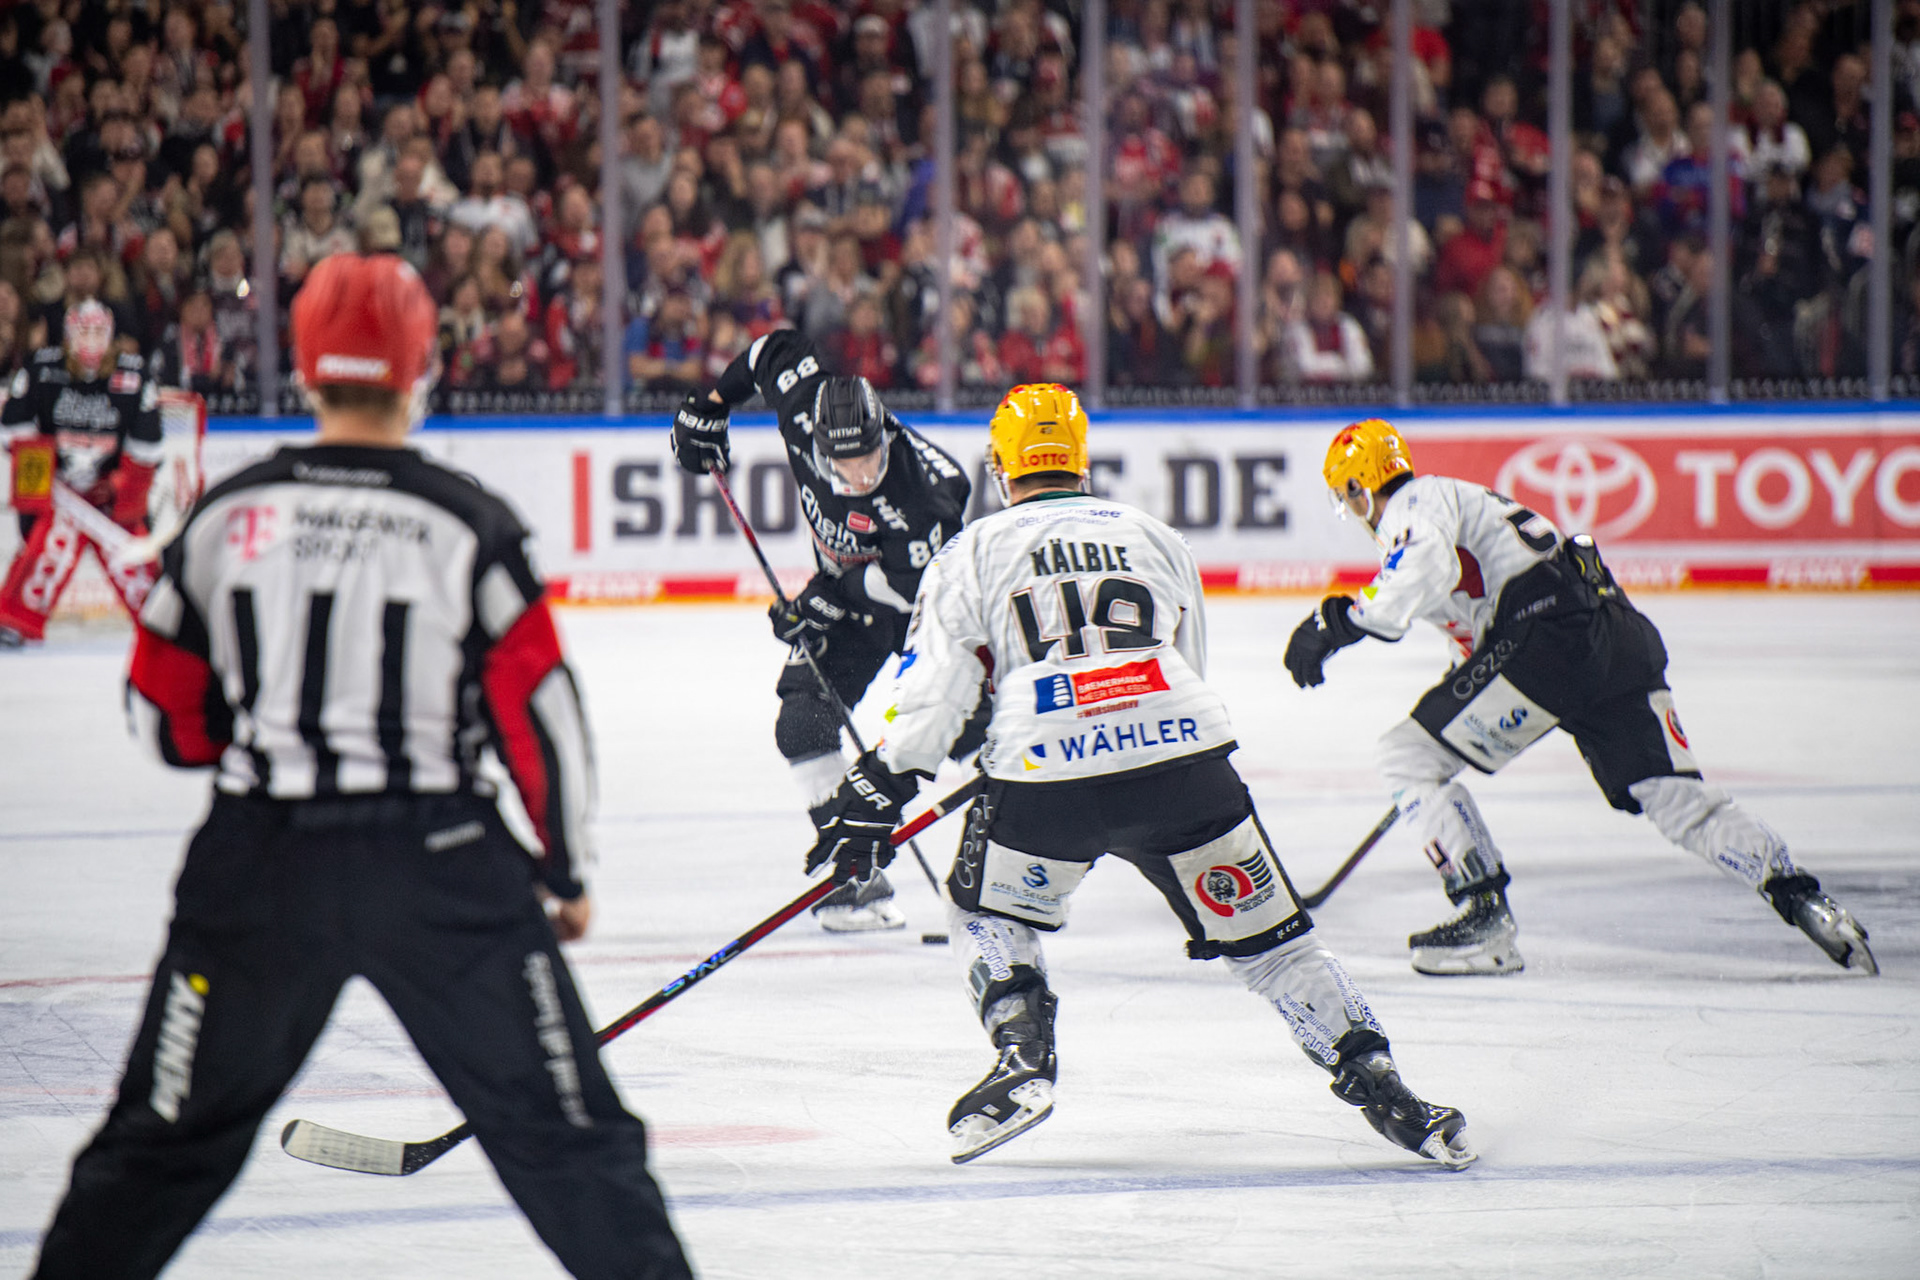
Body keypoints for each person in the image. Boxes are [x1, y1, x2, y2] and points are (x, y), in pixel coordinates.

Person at [28, 255, 693, 1280]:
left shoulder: (226, 516)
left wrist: (250, 734)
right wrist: (563, 869)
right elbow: (542, 715)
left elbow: (160, 716)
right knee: (571, 1144)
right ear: (419, 367)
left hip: (257, 863)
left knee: (155, 1149)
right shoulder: (467, 521)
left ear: (301, 369)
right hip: (442, 863)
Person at [804, 384, 1476, 1168]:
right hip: (1185, 763)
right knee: (1276, 948)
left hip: (1046, 774)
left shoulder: (971, 550)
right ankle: (1387, 1089)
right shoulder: (1155, 535)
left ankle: (1024, 1056)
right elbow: (1186, 661)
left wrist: (879, 787)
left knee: (982, 910)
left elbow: (934, 693)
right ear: (1080, 459)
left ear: (1000, 467)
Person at [1282, 419, 1879, 979]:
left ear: (1361, 491)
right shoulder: (1467, 507)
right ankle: (1800, 894)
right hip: (1612, 634)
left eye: (1352, 499)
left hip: (1548, 640)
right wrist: (1445, 708)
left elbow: (1416, 573)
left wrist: (1338, 621)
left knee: (1408, 759)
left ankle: (1485, 917)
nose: (1358, 513)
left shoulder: (1415, 504)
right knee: (1673, 796)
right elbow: (1472, 644)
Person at [671, 328, 981, 932]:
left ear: (884, 432)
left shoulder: (925, 495)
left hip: (933, 610)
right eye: (844, 460)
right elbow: (768, 353)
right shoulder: (803, 405)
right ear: (815, 439)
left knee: (976, 736)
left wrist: (823, 599)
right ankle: (858, 872)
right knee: (802, 722)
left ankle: (1011, 862)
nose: (860, 471)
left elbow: (908, 592)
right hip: (853, 596)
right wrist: (710, 406)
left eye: (869, 453)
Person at [0, 299, 161, 646]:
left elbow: (148, 444)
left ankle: (161, 619)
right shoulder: (42, 368)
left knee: (129, 552)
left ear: (112, 335)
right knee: (51, 542)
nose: (90, 341)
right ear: (69, 334)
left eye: (98, 332)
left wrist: (122, 488)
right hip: (58, 490)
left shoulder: (133, 375)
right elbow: (13, 428)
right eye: (83, 331)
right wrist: (42, 487)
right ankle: (14, 621)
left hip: (110, 491)